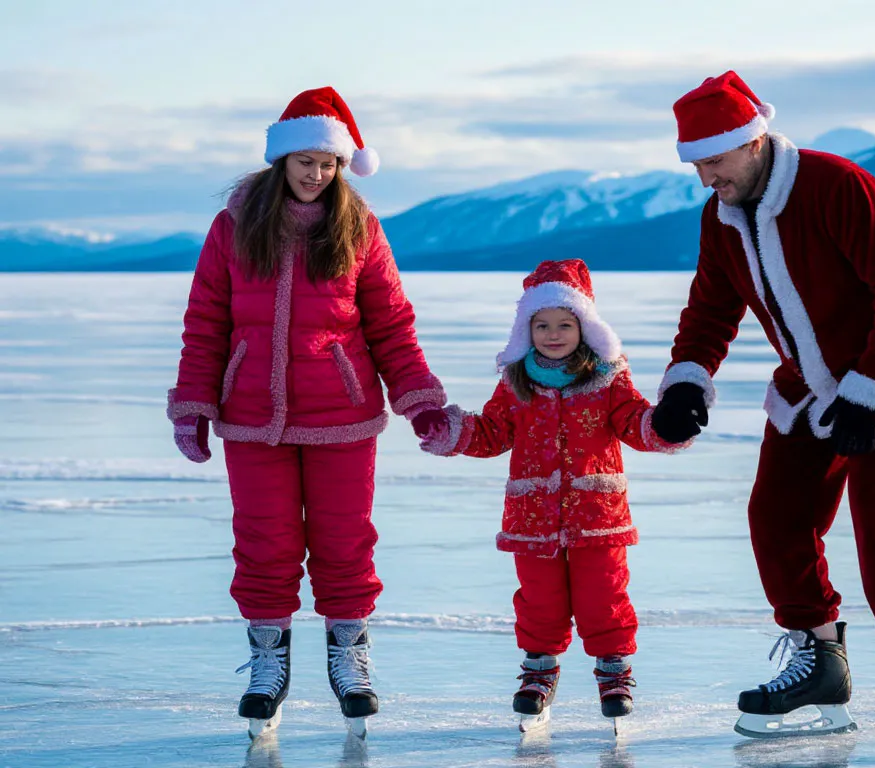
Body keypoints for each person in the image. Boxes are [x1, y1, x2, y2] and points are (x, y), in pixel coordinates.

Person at [650, 71, 875, 749]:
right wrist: (686, 382)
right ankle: (820, 659)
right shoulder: (721, 217)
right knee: (776, 512)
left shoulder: (835, 185)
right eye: (696, 165)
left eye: (715, 161)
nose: (705, 178)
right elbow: (711, 306)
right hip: (810, 379)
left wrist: (872, 392)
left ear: (753, 142)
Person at [167, 87, 449, 737]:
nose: (317, 173)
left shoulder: (359, 227)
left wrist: (420, 401)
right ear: (281, 157)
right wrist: (193, 404)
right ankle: (269, 663)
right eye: (306, 159)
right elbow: (206, 321)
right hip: (250, 417)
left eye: (329, 163)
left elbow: (391, 325)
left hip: (341, 415)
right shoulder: (234, 227)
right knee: (264, 542)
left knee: (345, 541)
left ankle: (348, 655)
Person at [420, 259, 690, 728]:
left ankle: (613, 670)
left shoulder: (608, 378)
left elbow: (634, 423)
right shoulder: (515, 382)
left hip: (597, 514)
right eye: (541, 324)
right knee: (539, 598)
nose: (553, 333)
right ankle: (538, 671)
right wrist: (453, 431)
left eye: (564, 324)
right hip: (533, 517)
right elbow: (492, 434)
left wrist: (664, 426)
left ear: (584, 327)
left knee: (603, 596)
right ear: (527, 329)